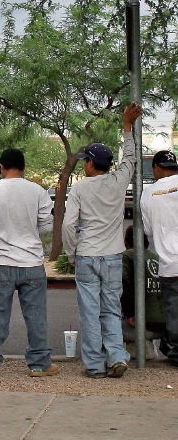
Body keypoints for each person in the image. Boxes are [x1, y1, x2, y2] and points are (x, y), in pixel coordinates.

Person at [62, 101, 142, 378]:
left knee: (90, 311)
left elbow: (69, 225)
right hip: (112, 256)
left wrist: (71, 254)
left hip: (87, 255)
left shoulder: (80, 189)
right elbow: (130, 158)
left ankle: (94, 365)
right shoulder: (119, 182)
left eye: (85, 159)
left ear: (90, 163)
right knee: (111, 309)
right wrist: (127, 128)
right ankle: (117, 356)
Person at [0, 148, 58, 378]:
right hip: (31, 263)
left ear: (1, 166)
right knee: (36, 316)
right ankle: (40, 363)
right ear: (24, 168)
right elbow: (47, 226)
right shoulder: (38, 191)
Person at [141, 149, 178, 365]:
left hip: (169, 263)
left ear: (156, 168)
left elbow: (148, 231)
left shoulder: (148, 194)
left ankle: (175, 352)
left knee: (173, 309)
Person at [120, 225, 164, 360]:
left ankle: (125, 355)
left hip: (143, 325)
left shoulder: (127, 256)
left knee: (102, 324)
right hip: (166, 326)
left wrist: (130, 313)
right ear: (147, 243)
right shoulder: (157, 257)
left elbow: (123, 282)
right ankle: (148, 351)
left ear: (125, 243)